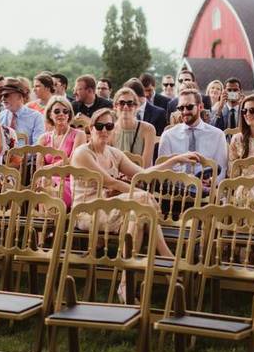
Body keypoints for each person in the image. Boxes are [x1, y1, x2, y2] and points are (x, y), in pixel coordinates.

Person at [71, 108, 202, 262]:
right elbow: (110, 182)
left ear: (114, 129)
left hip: (110, 206)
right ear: (91, 128)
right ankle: (168, 259)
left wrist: (174, 160)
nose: (104, 130)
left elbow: (143, 174)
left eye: (109, 126)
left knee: (139, 216)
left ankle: (125, 281)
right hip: (86, 211)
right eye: (99, 126)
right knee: (142, 204)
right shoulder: (83, 153)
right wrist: (143, 195)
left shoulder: (114, 153)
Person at [157, 88, 229, 184]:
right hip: (175, 190)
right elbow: (162, 169)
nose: (185, 111)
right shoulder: (168, 135)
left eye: (189, 107)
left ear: (200, 107)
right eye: (181, 108)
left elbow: (222, 169)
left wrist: (211, 182)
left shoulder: (217, 135)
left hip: (206, 191)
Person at [37, 96, 86, 207]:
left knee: (47, 185)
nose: (61, 114)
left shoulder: (79, 134)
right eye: (57, 111)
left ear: (69, 114)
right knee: (44, 183)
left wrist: (47, 169)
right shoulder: (43, 138)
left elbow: (71, 161)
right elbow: (39, 167)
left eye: (65, 111)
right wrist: (46, 173)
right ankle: (47, 220)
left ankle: (48, 221)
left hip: (69, 180)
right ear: (50, 114)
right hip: (47, 180)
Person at [110, 87, 157, 167]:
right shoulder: (109, 130)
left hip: (140, 177)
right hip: (115, 177)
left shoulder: (148, 129)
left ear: (136, 107)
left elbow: (145, 165)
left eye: (130, 103)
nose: (125, 107)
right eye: (121, 103)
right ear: (115, 106)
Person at [0, 79, 45, 144]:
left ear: (19, 96)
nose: (3, 98)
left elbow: (37, 145)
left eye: (6, 95)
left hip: (27, 153)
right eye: (1, 95)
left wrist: (23, 153)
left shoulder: (36, 117)